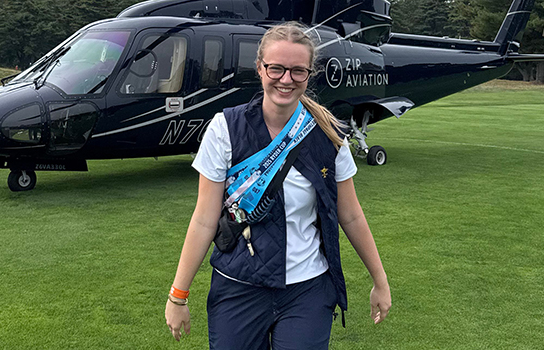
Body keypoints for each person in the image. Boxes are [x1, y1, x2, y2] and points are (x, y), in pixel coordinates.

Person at [164, 22, 391, 349]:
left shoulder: (328, 135)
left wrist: (380, 281)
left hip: (307, 289)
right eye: (276, 68)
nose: (286, 79)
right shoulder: (225, 128)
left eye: (298, 71)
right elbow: (204, 218)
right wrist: (178, 295)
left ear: (309, 75)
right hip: (238, 285)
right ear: (259, 68)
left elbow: (351, 215)